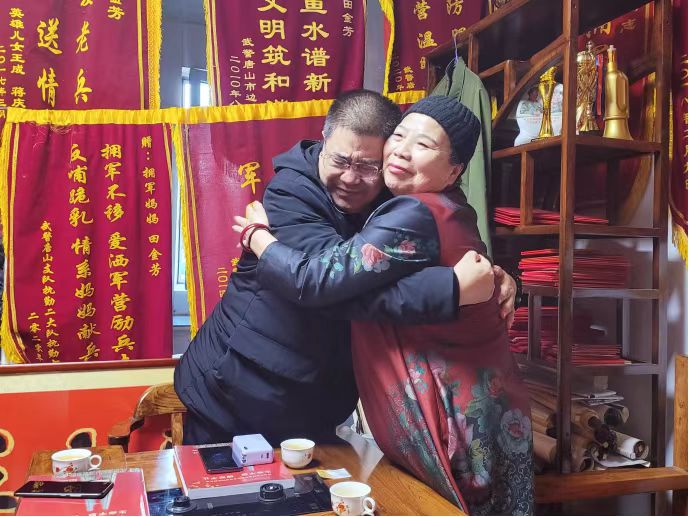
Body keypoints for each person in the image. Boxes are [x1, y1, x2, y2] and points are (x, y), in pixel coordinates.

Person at [234, 96, 534, 515]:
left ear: (455, 171)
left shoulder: (410, 210)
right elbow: (334, 285)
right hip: (247, 383)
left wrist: (257, 238)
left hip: (456, 414)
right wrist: (459, 286)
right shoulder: (442, 205)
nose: (402, 151)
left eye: (423, 144)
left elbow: (320, 281)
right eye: (400, 136)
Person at [174, 89, 517, 447]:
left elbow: (449, 241)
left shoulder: (398, 192)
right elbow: (327, 287)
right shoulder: (290, 193)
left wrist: (497, 278)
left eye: (368, 166)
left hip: (318, 401)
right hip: (233, 387)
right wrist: (452, 289)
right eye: (340, 160)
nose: (351, 178)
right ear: (324, 138)